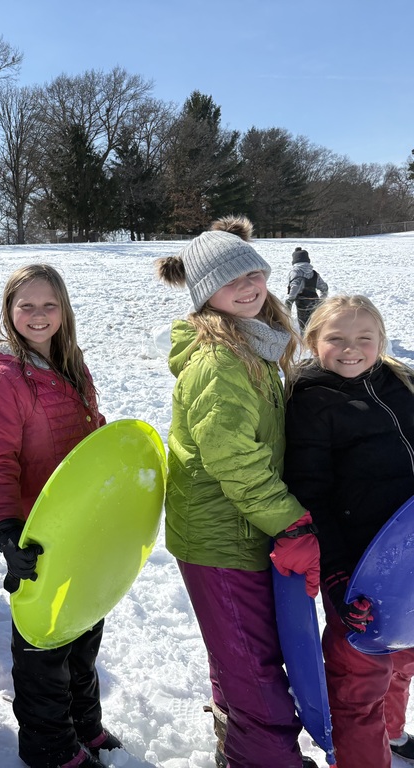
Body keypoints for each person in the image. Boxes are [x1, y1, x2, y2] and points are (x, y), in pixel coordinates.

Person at [155, 216, 318, 768]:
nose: (249, 285)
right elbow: (236, 461)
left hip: (240, 529)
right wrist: (292, 522)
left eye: (254, 271)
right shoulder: (221, 362)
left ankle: (235, 740)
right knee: (257, 675)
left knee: (243, 656)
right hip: (220, 538)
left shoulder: (254, 343)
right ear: (207, 296)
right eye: (231, 281)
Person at [0, 264, 120, 768]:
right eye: (26, 305)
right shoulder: (3, 377)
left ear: (63, 310)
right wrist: (7, 530)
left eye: (48, 305)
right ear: (10, 311)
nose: (38, 315)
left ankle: (83, 724)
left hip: (82, 525)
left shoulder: (71, 363)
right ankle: (50, 747)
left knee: (84, 629)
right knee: (43, 643)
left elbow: (91, 432)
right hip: (38, 533)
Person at [284, 295, 414, 768]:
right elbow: (312, 496)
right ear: (313, 340)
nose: (351, 349)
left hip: (411, 556)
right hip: (365, 567)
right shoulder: (312, 401)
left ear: (381, 340)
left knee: (404, 655)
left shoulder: (400, 382)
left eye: (364, 338)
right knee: (359, 682)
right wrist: (339, 578)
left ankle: (392, 733)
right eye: (336, 338)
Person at [284, 247, 328, 330]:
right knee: (314, 324)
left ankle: (305, 341)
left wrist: (289, 301)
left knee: (304, 326)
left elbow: (295, 286)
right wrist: (321, 300)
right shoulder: (314, 273)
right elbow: (324, 288)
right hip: (315, 301)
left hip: (302, 303)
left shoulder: (295, 272)